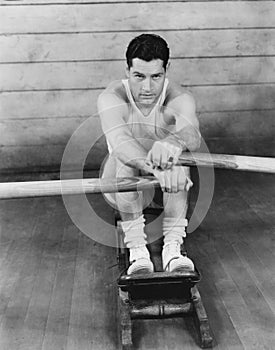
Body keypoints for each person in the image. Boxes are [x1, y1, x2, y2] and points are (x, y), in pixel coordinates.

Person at [97, 34, 201, 275]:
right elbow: (120, 143)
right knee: (125, 161)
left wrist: (173, 142)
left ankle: (173, 249)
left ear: (167, 69)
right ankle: (137, 251)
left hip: (168, 188)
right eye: (139, 76)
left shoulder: (179, 97)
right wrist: (157, 166)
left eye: (156, 76)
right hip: (123, 185)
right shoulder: (112, 97)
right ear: (127, 70)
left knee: (179, 159)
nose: (147, 87)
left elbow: (193, 135)